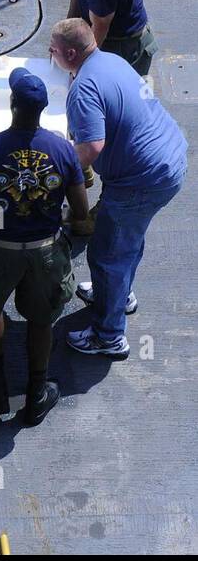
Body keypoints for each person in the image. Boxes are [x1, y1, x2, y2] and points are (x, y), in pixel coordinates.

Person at [0, 68, 89, 425]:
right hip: (45, 251)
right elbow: (80, 211)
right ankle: (36, 395)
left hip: (0, 248)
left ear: (12, 104)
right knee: (41, 320)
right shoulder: (62, 149)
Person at [49, 18, 187, 358]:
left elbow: (92, 146)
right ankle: (118, 295)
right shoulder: (111, 59)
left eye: (52, 50)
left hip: (142, 178)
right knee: (127, 241)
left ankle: (108, 336)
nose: (49, 55)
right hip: (167, 157)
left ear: (69, 53)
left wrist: (54, 169)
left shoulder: (84, 89)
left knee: (108, 253)